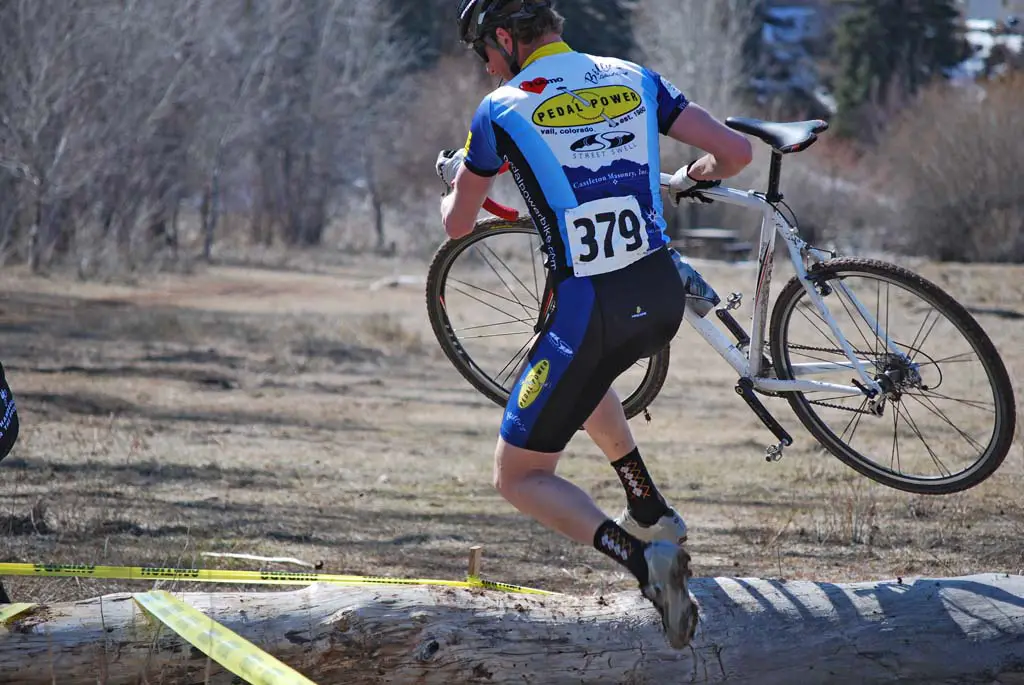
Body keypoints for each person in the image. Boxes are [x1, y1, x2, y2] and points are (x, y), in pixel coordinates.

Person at [435, 0, 752, 649]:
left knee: (518, 475)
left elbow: (458, 225)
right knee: (584, 375)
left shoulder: (502, 107)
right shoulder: (633, 75)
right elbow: (736, 152)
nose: (486, 68)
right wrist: (695, 174)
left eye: (485, 56)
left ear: (503, 39)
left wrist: (454, 177)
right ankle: (648, 507)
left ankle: (643, 561)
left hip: (591, 311)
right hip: (660, 296)